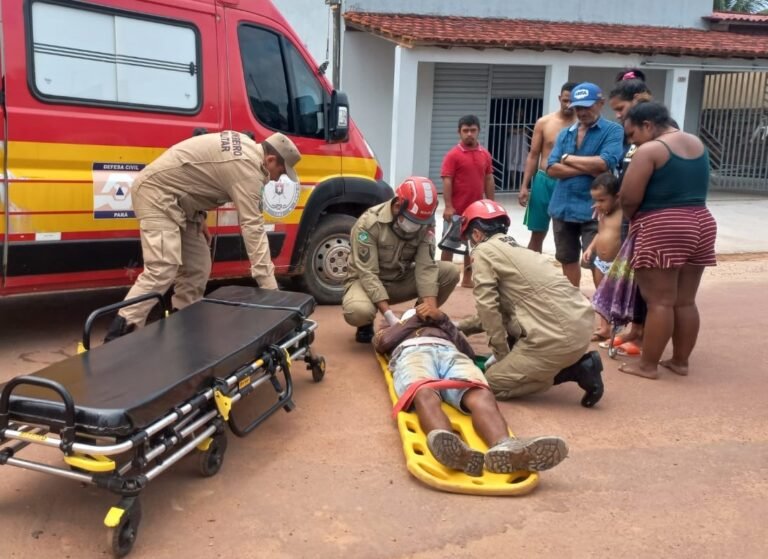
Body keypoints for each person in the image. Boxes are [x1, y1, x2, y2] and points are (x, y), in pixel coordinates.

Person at [104, 131, 300, 341]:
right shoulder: (248, 170)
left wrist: (200, 216)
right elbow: (253, 229)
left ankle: (184, 331)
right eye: (280, 171)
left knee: (197, 267)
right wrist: (271, 293)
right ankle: (118, 337)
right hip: (157, 194)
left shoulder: (247, 146)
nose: (278, 178)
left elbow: (200, 174)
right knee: (162, 268)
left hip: (182, 205)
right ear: (270, 159)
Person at [373, 304, 569, 476]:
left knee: (480, 393)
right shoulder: (397, 327)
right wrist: (414, 319)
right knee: (423, 391)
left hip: (451, 353)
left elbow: (468, 352)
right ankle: (449, 445)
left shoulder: (442, 326)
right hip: (413, 352)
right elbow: (382, 343)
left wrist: (443, 320)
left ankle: (505, 446)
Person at [457, 199, 604, 407]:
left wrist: (500, 355)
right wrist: (460, 327)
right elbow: (499, 310)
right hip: (579, 326)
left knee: (490, 382)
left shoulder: (484, 251)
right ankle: (561, 363)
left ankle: (577, 369)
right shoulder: (518, 251)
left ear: (477, 234)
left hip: (556, 337)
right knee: (512, 321)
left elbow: (488, 308)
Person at [619, 101, 717, 379]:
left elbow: (629, 197)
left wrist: (633, 218)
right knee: (685, 300)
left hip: (662, 224)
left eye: (632, 134)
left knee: (659, 301)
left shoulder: (651, 150)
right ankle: (680, 362)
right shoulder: (697, 143)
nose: (631, 141)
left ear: (647, 125)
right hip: (701, 221)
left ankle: (648, 366)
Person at [343, 176, 459, 343]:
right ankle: (366, 323)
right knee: (358, 311)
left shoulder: (424, 223)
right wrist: (391, 319)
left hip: (399, 279)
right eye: (413, 221)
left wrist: (430, 310)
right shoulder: (368, 224)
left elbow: (426, 269)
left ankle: (417, 320)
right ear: (398, 205)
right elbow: (368, 273)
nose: (417, 226)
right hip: (365, 281)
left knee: (450, 272)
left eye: (421, 222)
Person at [546, 82, 624, 288]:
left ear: (601, 103)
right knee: (566, 258)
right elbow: (551, 169)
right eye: (578, 107)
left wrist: (567, 158)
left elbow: (606, 162)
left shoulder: (613, 131)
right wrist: (590, 167)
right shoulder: (565, 133)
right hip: (563, 206)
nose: (582, 112)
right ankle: (574, 303)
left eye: (587, 106)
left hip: (595, 207)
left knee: (599, 260)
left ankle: (603, 308)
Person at [518, 82, 577, 253]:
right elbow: (533, 155)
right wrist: (524, 186)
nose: (568, 105)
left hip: (568, 182)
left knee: (567, 233)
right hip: (544, 181)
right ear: (559, 98)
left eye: (572, 102)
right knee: (537, 232)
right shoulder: (544, 122)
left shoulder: (582, 126)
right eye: (565, 100)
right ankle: (532, 272)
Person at [440, 115, 496, 288]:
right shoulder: (453, 155)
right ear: (459, 132)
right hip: (456, 212)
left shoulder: (485, 154)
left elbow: (488, 178)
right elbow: (447, 180)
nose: (469, 134)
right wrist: (448, 206)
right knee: (448, 246)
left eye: (473, 130)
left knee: (472, 247)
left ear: (478, 131)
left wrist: (491, 205)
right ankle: (442, 279)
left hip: (476, 213)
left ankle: (467, 279)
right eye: (465, 131)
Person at [583, 173, 623, 341]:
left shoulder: (623, 214)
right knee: (601, 295)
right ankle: (604, 327)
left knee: (617, 295)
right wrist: (591, 248)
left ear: (617, 197)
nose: (597, 204)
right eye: (595, 200)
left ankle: (617, 326)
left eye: (601, 200)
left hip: (617, 263)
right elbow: (600, 233)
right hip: (600, 262)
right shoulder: (602, 213)